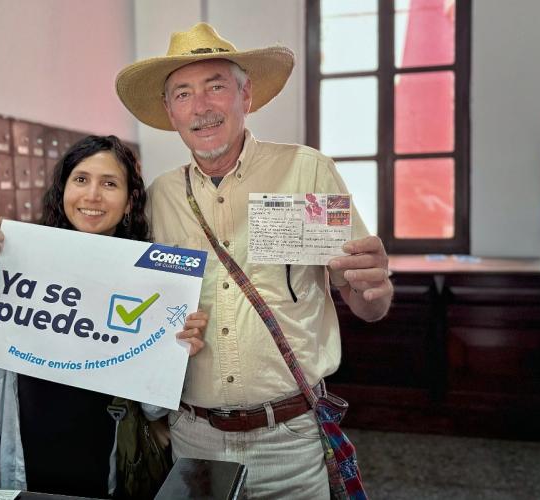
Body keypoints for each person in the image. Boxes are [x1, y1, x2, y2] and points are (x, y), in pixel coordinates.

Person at [112, 23, 394, 499]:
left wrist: (373, 293)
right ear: (170, 112)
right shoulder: (160, 196)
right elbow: (122, 286)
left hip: (290, 440)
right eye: (183, 93)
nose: (201, 106)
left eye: (216, 86)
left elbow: (366, 302)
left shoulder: (307, 170)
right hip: (193, 437)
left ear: (246, 96)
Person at [0, 135, 207, 497]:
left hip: (104, 473)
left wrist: (176, 353)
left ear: (129, 202)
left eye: (109, 183)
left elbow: (153, 409)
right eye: (80, 179)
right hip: (24, 469)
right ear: (63, 189)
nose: (92, 195)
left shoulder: (151, 280)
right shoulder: (25, 262)